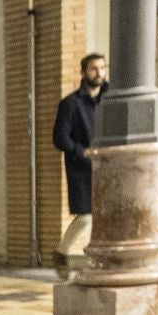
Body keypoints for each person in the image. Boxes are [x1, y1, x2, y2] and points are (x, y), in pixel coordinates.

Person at [53, 53, 107, 265]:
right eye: (94, 68)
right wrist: (81, 152)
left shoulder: (112, 98)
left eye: (102, 68)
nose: (99, 73)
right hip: (82, 168)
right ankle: (62, 252)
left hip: (109, 166)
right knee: (86, 217)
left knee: (107, 216)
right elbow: (60, 138)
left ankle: (98, 259)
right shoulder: (70, 104)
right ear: (84, 72)